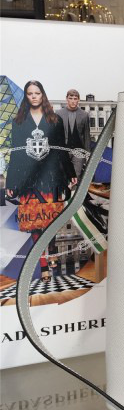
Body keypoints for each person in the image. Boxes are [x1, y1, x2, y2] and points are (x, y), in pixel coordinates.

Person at [5, 81, 77, 281]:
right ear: (26, 96)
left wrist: (70, 172)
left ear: (42, 95)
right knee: (34, 223)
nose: (34, 96)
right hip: (28, 180)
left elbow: (61, 149)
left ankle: (51, 252)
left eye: (37, 93)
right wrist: (11, 182)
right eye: (30, 93)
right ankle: (44, 265)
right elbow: (15, 154)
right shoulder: (18, 122)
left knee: (49, 220)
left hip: (50, 177)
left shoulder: (55, 120)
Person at [56, 89, 91, 179]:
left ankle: (74, 188)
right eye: (70, 98)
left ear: (78, 100)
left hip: (79, 151)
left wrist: (88, 153)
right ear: (66, 99)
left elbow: (86, 135)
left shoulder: (84, 115)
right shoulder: (59, 113)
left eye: (75, 98)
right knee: (63, 176)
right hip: (63, 150)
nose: (73, 101)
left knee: (76, 176)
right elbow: (56, 133)